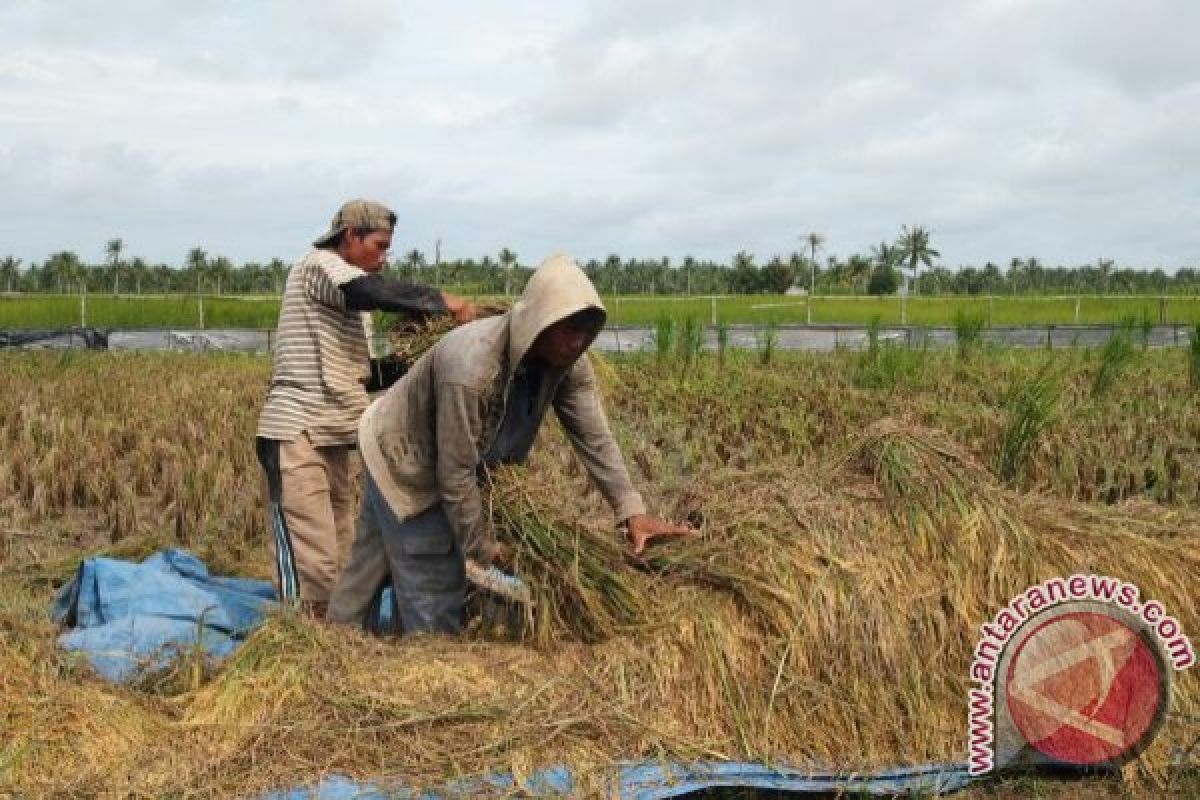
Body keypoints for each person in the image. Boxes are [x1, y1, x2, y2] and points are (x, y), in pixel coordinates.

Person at [327, 252, 697, 634]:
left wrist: (630, 510)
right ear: (539, 321)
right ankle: (422, 656)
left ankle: (338, 638)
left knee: (372, 564)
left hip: (439, 453)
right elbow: (454, 474)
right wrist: (482, 549)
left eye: (587, 331)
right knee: (432, 572)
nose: (577, 342)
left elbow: (595, 438)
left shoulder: (569, 363)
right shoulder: (471, 368)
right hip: (405, 454)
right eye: (568, 328)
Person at [255, 198, 477, 617]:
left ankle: (331, 638)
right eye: (379, 245)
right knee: (312, 566)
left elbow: (363, 375)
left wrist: (418, 359)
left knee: (339, 556)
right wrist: (439, 301)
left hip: (336, 435)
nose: (384, 257)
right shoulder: (320, 267)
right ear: (350, 237)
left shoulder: (351, 307)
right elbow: (367, 290)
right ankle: (301, 644)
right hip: (296, 432)